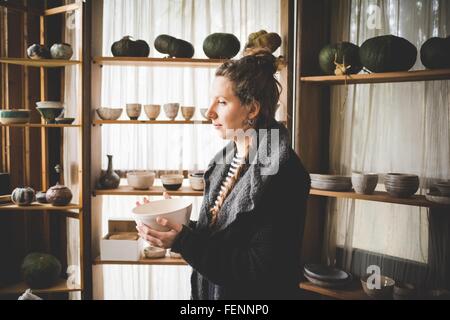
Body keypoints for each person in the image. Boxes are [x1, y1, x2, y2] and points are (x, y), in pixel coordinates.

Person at [136, 49, 311, 300]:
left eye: (222, 102)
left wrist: (184, 242)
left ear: (252, 109)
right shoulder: (225, 161)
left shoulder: (282, 173)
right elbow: (224, 236)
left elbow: (259, 268)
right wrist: (172, 225)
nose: (209, 113)